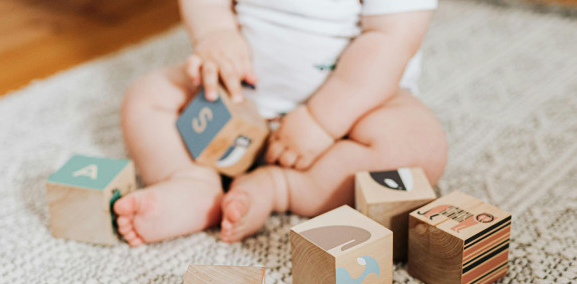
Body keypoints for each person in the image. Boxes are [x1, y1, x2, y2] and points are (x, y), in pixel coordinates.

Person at [114, 0, 448, 247]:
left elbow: (391, 41)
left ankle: (281, 187)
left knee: (418, 147)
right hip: (237, 97)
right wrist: (215, 33)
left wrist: (321, 121)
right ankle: (193, 182)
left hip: (348, 111)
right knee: (147, 97)